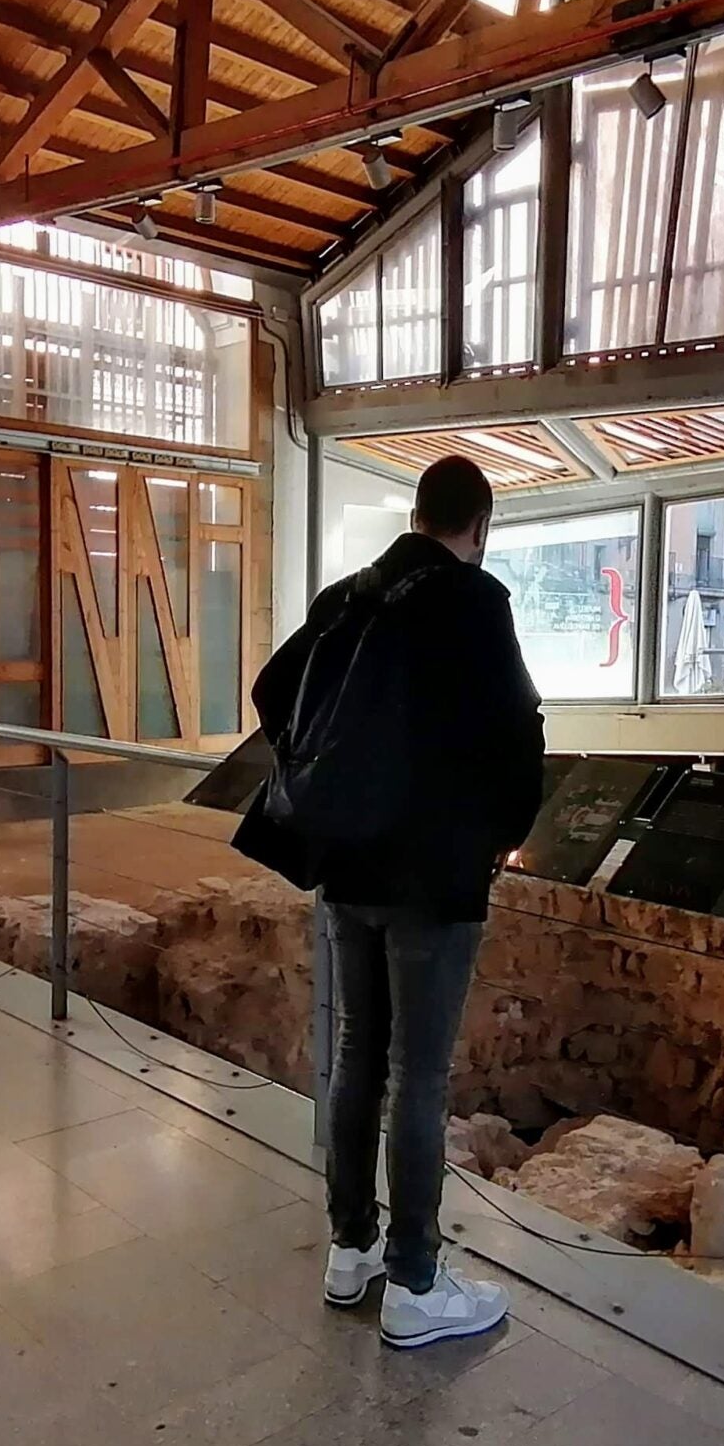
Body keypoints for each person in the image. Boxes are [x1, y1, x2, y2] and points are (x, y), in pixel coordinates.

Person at [235, 455, 544, 1350]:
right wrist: (503, 830)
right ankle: (415, 1280)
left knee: (357, 1054)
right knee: (419, 1071)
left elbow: (273, 692)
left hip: (350, 867)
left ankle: (350, 1247)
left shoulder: (351, 594)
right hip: (434, 875)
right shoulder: (473, 602)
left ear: (417, 513)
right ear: (478, 527)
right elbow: (516, 733)